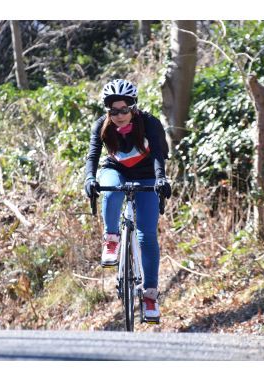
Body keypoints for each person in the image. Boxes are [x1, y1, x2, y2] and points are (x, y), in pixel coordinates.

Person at [84, 78, 171, 322]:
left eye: (124, 109)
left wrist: (161, 179)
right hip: (117, 169)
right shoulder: (102, 125)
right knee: (110, 189)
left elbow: (158, 155)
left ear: (133, 107)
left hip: (146, 176)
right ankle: (111, 238)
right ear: (107, 111)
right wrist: (89, 178)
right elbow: (92, 155)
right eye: (114, 111)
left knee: (146, 236)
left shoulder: (150, 122)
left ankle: (150, 295)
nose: (119, 115)